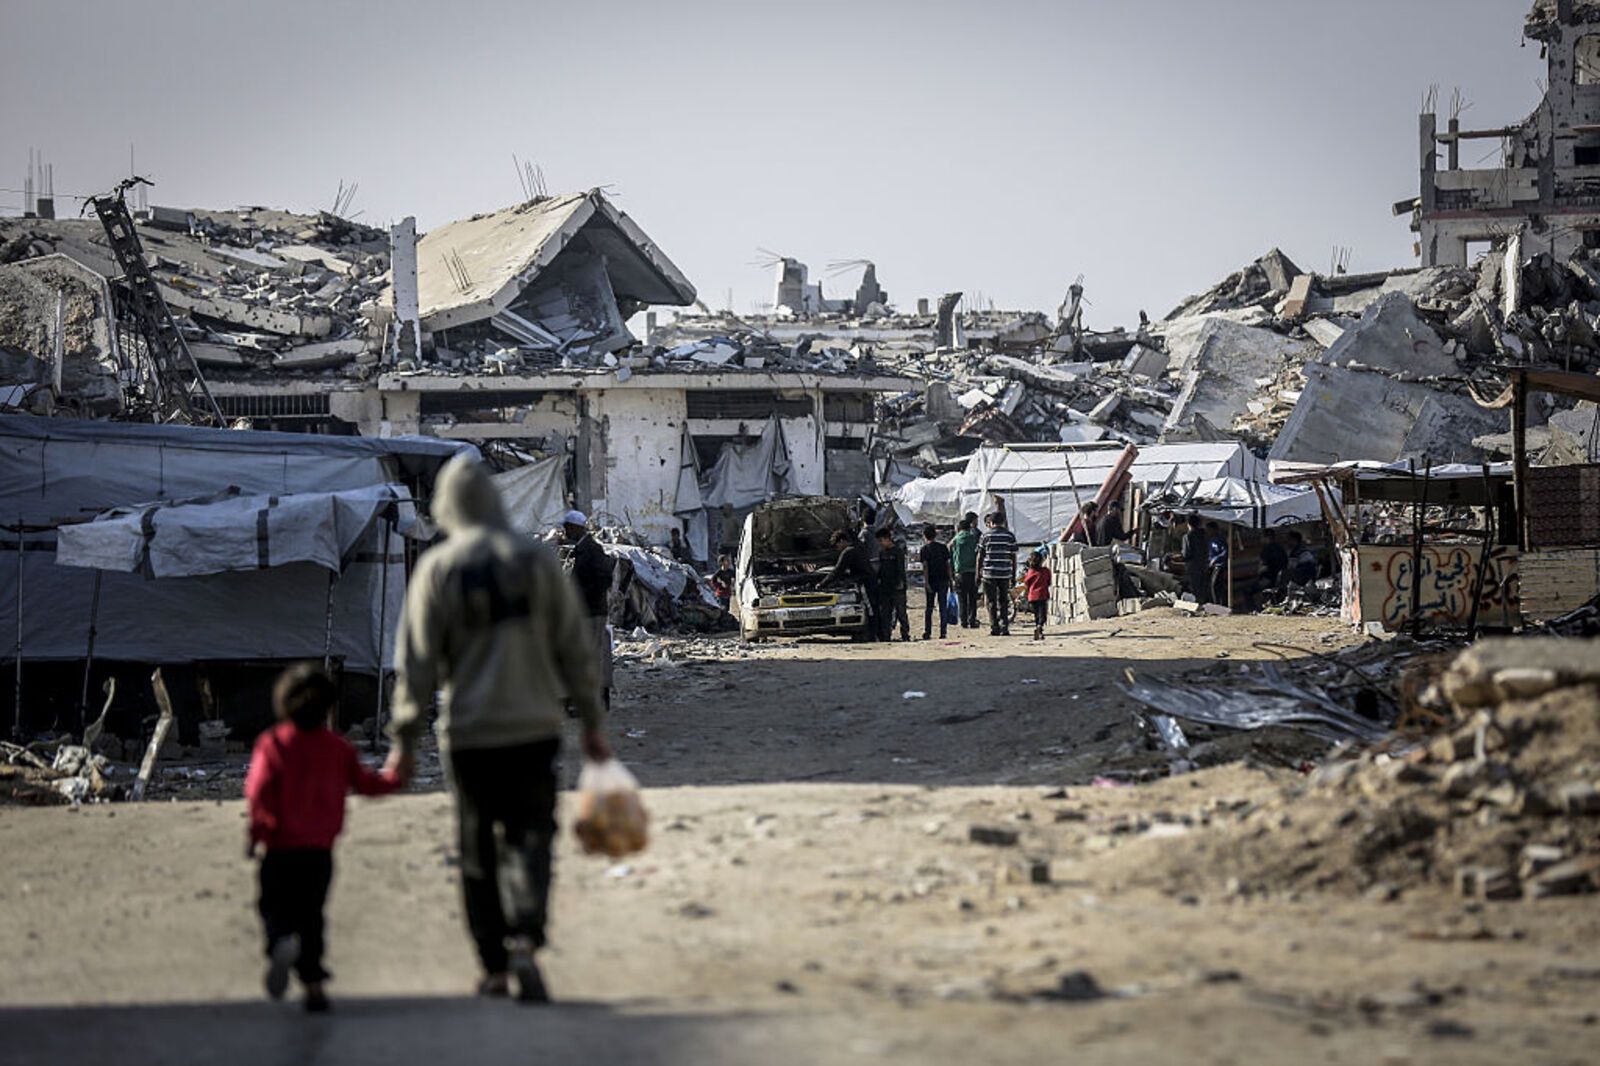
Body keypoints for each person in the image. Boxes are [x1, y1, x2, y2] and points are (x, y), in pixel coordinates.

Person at [390, 455, 610, 1004]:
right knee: (532, 836)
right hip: (534, 726)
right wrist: (591, 720)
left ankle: (491, 964)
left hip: (468, 733)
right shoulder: (536, 561)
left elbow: (416, 666)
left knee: (475, 846)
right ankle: (527, 939)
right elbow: (572, 648)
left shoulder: (438, 571)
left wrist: (403, 741)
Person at [245, 663, 404, 1013]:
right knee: (312, 915)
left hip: (280, 847)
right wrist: (395, 778)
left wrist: (255, 833)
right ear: (329, 706)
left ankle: (279, 943)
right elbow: (366, 784)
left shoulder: (272, 744)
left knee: (272, 905)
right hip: (319, 851)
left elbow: (259, 792)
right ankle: (314, 984)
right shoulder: (338, 748)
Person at [564, 511, 615, 712]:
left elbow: (605, 579)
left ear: (576, 527)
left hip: (591, 611)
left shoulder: (592, 549)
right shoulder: (583, 549)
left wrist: (581, 595)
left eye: (568, 527)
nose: (566, 531)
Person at [824, 528, 878, 638]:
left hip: (865, 582)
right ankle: (874, 634)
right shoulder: (859, 546)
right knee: (872, 609)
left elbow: (837, 570)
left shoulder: (848, 551)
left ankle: (872, 635)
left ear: (842, 541)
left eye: (837, 545)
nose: (838, 549)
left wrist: (823, 584)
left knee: (870, 609)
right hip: (870, 580)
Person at [977, 511, 1019, 636]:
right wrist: (1013, 574)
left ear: (991, 522)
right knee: (1003, 601)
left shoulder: (985, 536)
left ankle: (994, 627)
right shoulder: (1010, 536)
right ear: (1002, 522)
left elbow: (980, 556)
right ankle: (1004, 626)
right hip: (1004, 573)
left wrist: (978, 574)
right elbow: (1013, 558)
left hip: (989, 573)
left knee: (991, 601)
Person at [875, 527, 911, 641]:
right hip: (885, 587)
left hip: (898, 588)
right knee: (886, 614)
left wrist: (900, 583)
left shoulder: (898, 551)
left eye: (881, 541)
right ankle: (886, 636)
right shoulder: (881, 553)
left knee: (901, 613)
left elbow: (901, 569)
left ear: (887, 539)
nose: (880, 544)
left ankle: (905, 634)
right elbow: (880, 569)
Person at [918, 523, 954, 640]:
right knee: (942, 606)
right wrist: (951, 580)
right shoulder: (943, 548)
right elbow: (948, 565)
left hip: (932, 580)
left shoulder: (924, 549)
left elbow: (925, 567)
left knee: (929, 608)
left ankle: (927, 632)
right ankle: (943, 632)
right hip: (943, 579)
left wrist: (926, 582)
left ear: (924, 536)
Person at [950, 514, 981, 629]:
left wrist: (952, 573)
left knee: (962, 598)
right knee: (972, 598)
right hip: (973, 571)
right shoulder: (974, 538)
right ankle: (972, 620)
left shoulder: (956, 540)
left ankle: (963, 621)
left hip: (960, 572)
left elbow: (951, 556)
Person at [1180, 513, 1211, 607]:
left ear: (1188, 524)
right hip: (1204, 564)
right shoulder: (1204, 535)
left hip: (1193, 565)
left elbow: (1187, 553)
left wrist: (1181, 557)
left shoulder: (1187, 536)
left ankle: (1197, 605)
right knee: (1203, 586)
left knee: (1194, 587)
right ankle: (1204, 604)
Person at [1022, 550, 1052, 641]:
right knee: (1042, 614)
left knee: (1036, 614)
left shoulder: (1030, 572)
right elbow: (1049, 582)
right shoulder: (1046, 571)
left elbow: (1026, 584)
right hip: (1042, 596)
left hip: (1032, 597)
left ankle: (1038, 628)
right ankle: (1040, 627)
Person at [1255, 529, 1289, 605]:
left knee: (1247, 591)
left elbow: (1263, 567)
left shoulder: (1266, 550)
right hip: (1281, 579)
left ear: (1266, 537)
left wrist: (1258, 575)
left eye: (1262, 537)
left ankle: (1253, 609)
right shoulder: (1280, 548)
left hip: (1268, 579)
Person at [1206, 522, 1230, 609]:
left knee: (1215, 584)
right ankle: (1216, 603)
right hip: (1213, 566)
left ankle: (1218, 605)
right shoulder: (1210, 540)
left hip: (1220, 565)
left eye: (1209, 530)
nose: (1208, 532)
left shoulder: (1220, 540)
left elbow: (1225, 552)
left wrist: (1215, 559)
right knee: (1214, 585)